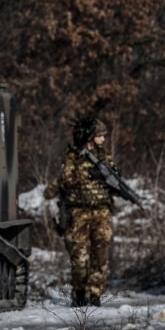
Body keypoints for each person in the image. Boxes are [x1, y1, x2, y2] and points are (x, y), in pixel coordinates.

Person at [44, 116, 115, 306]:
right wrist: (85, 175)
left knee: (100, 256)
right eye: (100, 135)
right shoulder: (73, 158)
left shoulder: (105, 158)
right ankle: (79, 292)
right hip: (78, 214)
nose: (103, 139)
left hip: (101, 213)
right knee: (80, 259)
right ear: (90, 136)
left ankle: (95, 294)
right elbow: (62, 181)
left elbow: (114, 182)